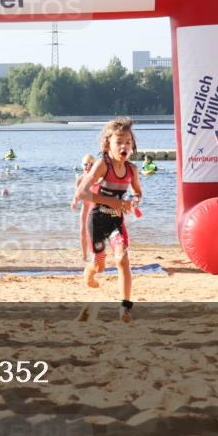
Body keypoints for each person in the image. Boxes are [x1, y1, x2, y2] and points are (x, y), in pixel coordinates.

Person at [74, 117, 142, 323]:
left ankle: (125, 307)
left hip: (116, 222)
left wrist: (133, 201)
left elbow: (138, 193)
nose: (124, 146)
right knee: (100, 265)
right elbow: (81, 192)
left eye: (128, 142)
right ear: (107, 144)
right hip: (97, 220)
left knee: (122, 258)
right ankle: (90, 272)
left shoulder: (132, 170)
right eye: (119, 142)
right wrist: (110, 202)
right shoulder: (103, 165)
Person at [71, 154, 97, 262]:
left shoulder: (96, 179)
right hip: (85, 207)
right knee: (83, 231)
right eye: (86, 164)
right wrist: (74, 202)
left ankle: (94, 253)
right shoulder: (80, 179)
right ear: (82, 165)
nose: (88, 167)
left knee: (93, 232)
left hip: (95, 208)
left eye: (91, 164)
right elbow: (77, 194)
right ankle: (84, 255)